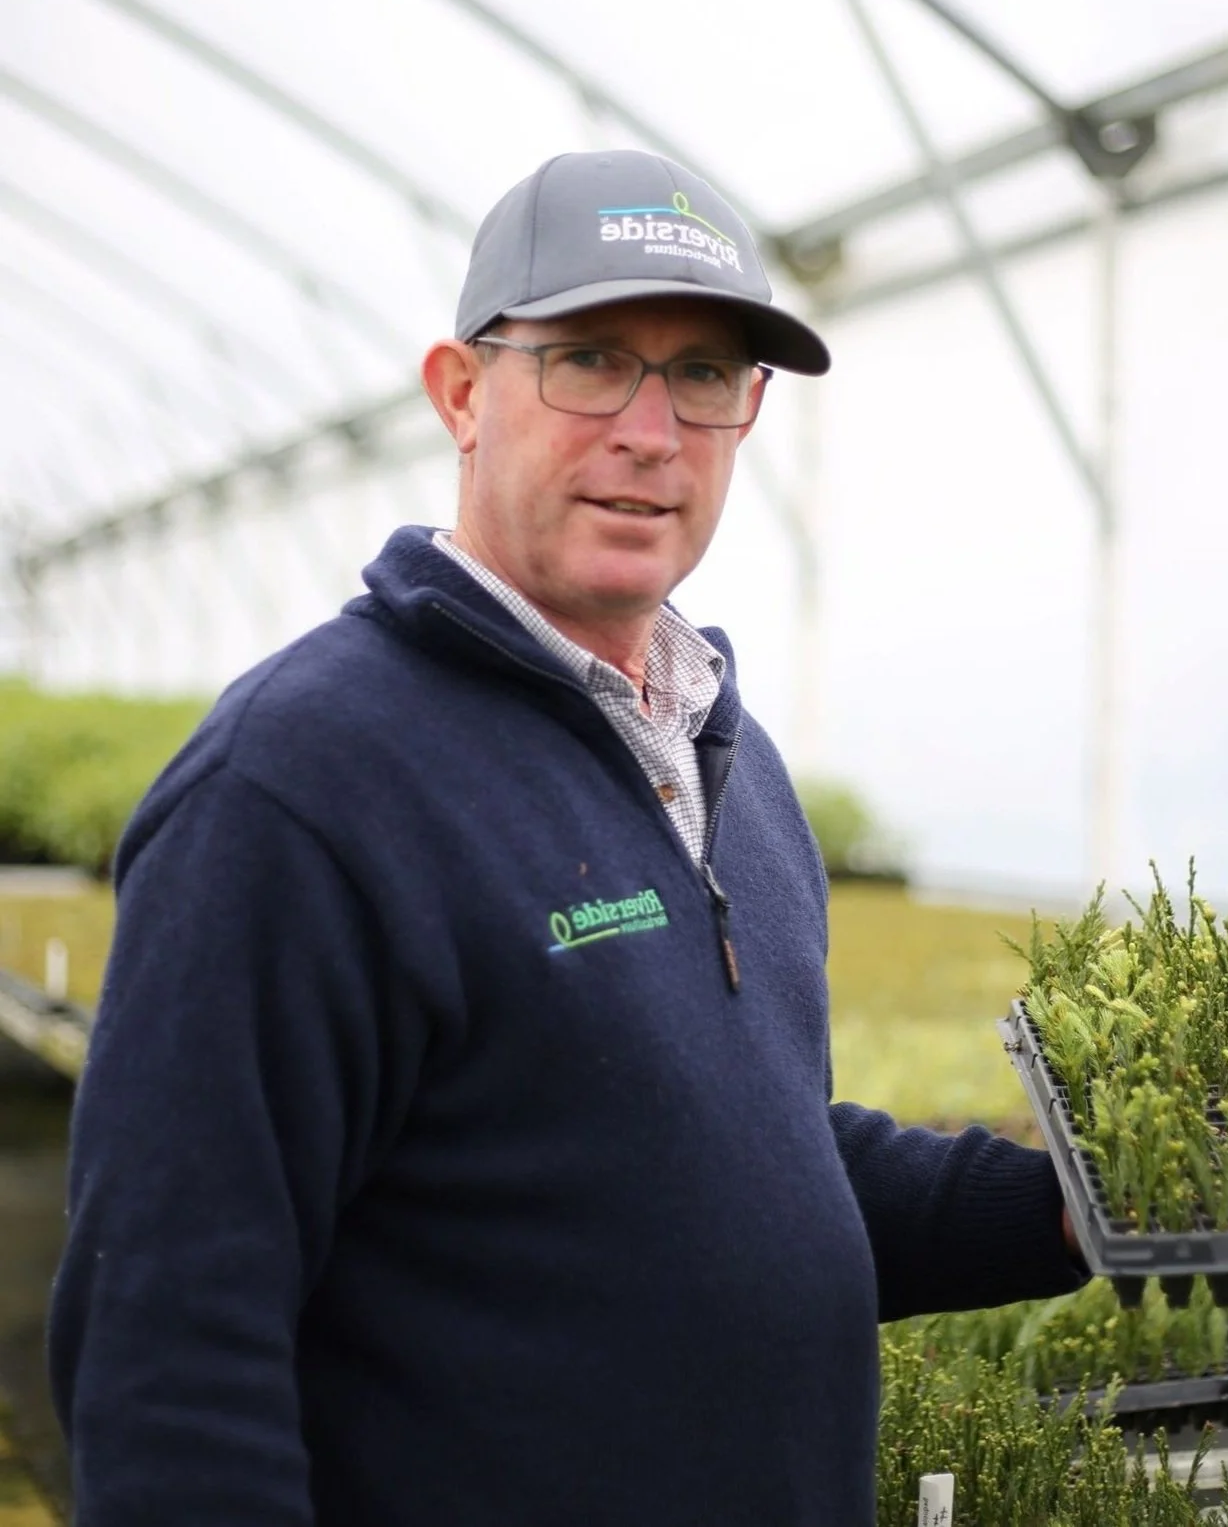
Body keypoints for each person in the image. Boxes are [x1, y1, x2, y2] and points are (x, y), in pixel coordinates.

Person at [48, 150, 1084, 1527]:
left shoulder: (727, 757)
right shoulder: (297, 787)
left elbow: (733, 1157)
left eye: (704, 375)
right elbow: (169, 1344)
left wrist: (1073, 1204)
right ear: (462, 393)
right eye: (591, 358)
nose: (651, 429)